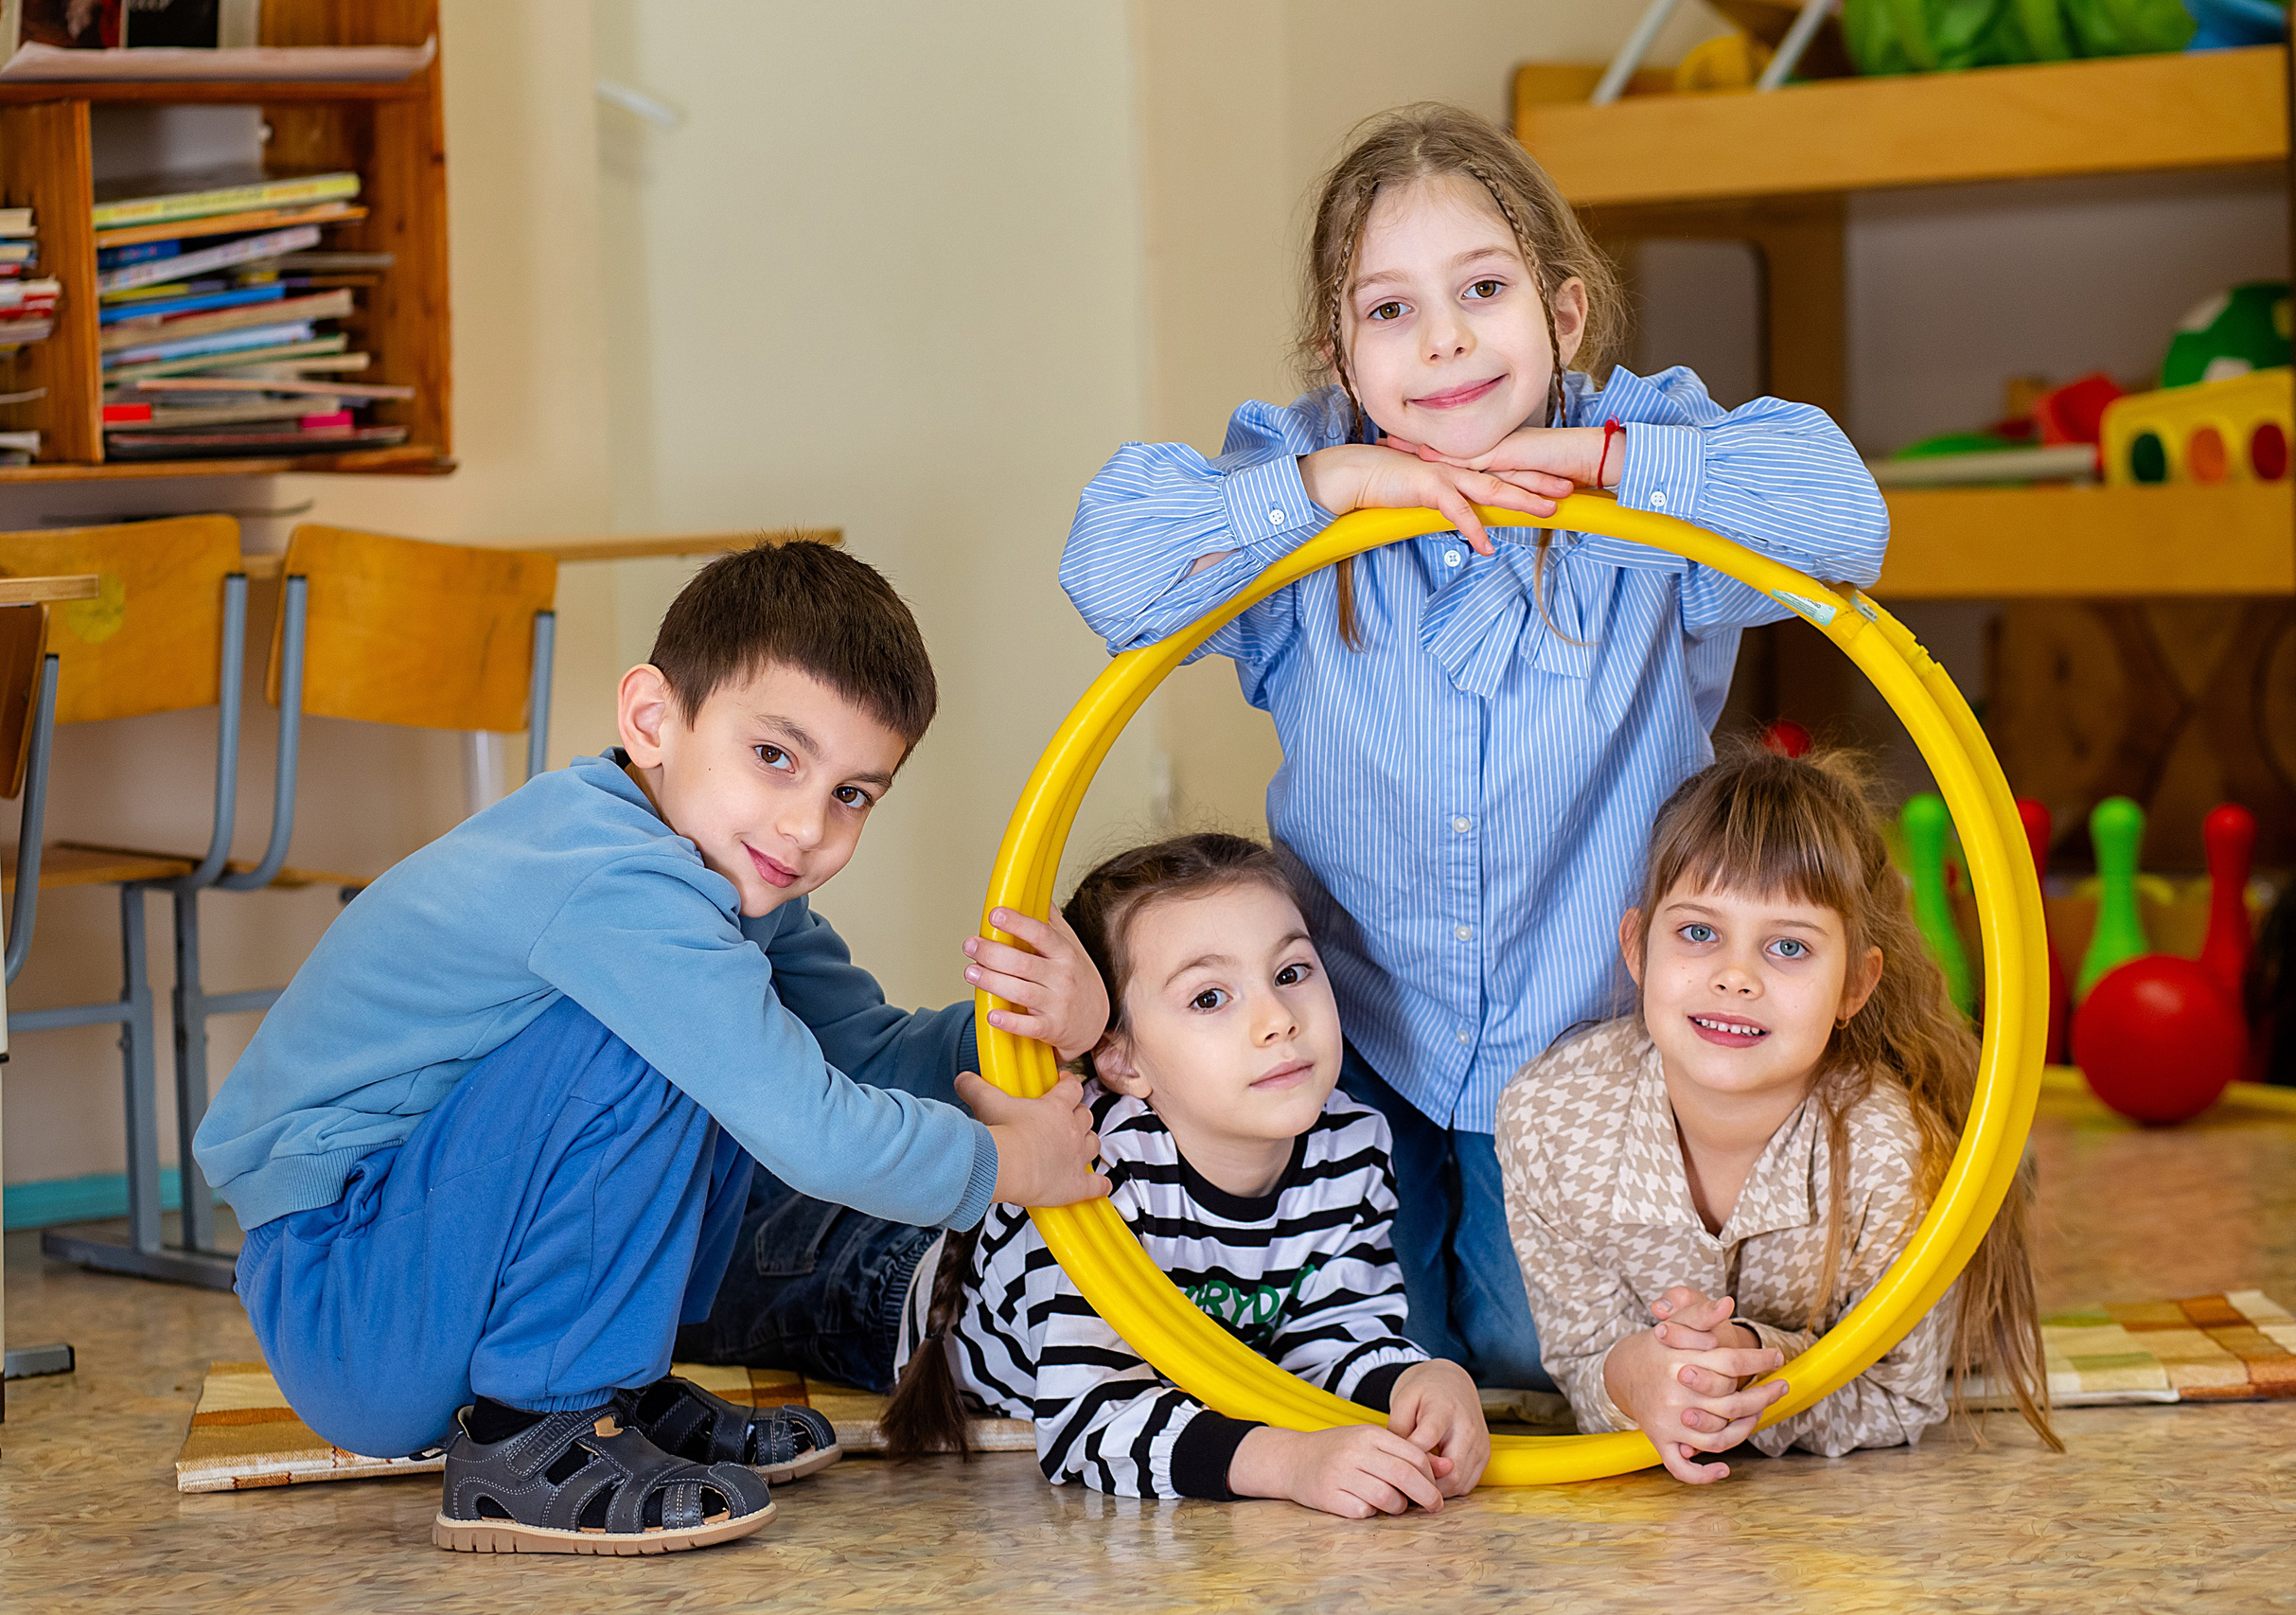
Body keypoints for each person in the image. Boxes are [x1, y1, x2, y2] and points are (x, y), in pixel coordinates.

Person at [1059, 103, 1889, 1389]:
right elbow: (1108, 570)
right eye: (1390, 310)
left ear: (1564, 315)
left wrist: (1592, 463)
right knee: (1371, 1354)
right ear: (1340, 355)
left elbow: (1845, 520)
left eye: (1483, 290)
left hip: (1579, 1050)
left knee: (1520, 1347)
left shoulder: (1645, 464)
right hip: (1356, 1043)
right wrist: (1334, 489)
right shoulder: (1301, 482)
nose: (1442, 338)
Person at [196, 537, 1111, 1555]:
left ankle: (611, 1394)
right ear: (651, 719)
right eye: (775, 756)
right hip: (349, 1293)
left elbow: (867, 1051)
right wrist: (1005, 1162)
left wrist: (1041, 1027)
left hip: (420, 1266)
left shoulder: (727, 890)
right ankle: (531, 1435)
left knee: (735, 1039)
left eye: (852, 793)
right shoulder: (615, 880)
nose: (807, 826)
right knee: (672, 1042)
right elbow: (815, 1131)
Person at [682, 833, 1492, 1518]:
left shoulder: (1350, 1142)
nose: (1277, 1019)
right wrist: (1288, 1464)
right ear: (1123, 1059)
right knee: (691, 1266)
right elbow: (1087, 1419)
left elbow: (1331, 1335)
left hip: (927, 1243)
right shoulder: (1103, 1170)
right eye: (1211, 997)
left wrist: (1418, 1381)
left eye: (1290, 973)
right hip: (876, 1284)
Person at [1496, 743, 2062, 1482]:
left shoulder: (1893, 1155)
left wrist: (1749, 1363)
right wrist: (1629, 1377)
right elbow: (1582, 1356)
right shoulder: (1548, 1117)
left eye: (1789, 946)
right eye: (1699, 932)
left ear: (1854, 986)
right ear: (1637, 949)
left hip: (1912, 1186)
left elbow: (1897, 1393)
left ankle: (2012, 1169)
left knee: (1990, 1169)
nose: (1735, 977)